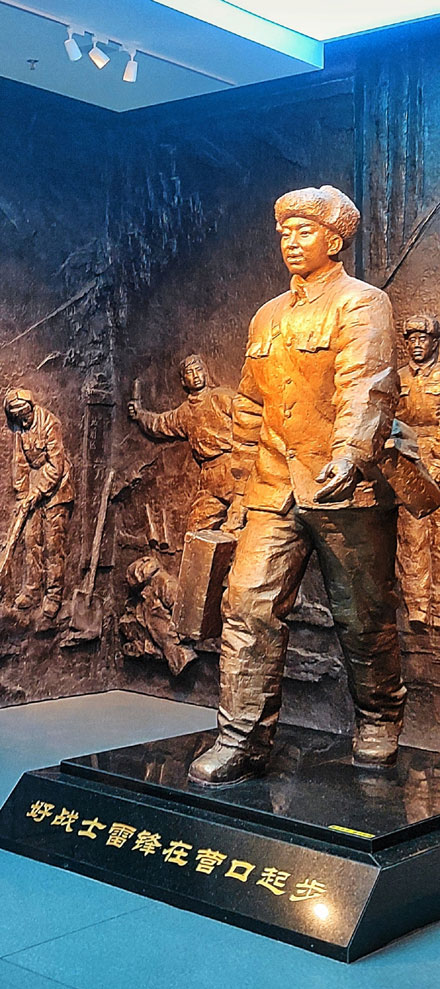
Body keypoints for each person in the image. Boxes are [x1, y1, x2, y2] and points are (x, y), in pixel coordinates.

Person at [188, 185, 406, 786]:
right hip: (273, 487)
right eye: (284, 231)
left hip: (346, 489)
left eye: (304, 231)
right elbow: (249, 408)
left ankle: (379, 719)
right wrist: (241, 486)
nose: (290, 240)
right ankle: (241, 738)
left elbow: (368, 385)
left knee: (362, 617)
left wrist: (351, 453)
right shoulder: (266, 316)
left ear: (333, 241)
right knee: (246, 606)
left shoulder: (362, 304)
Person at [128, 355, 234, 532]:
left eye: (198, 370)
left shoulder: (221, 397)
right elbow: (161, 424)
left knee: (240, 523)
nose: (196, 375)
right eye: (190, 373)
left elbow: (248, 416)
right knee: (197, 529)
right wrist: (140, 415)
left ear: (205, 373)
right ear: (184, 381)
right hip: (208, 477)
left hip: (232, 469)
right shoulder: (184, 412)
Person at [3, 388, 74, 622]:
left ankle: (53, 596)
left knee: (54, 544)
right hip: (33, 485)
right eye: (18, 418)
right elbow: (19, 463)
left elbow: (56, 466)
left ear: (32, 407)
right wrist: (22, 496)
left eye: (26, 415)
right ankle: (32, 590)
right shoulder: (19, 430)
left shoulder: (51, 424)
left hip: (57, 489)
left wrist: (37, 492)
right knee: (31, 540)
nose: (24, 421)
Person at [395, 314, 440, 628]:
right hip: (409, 466)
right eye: (411, 340)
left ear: (435, 342)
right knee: (412, 539)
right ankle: (418, 609)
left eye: (422, 339)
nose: (416, 345)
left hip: (438, 461)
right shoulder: (398, 379)